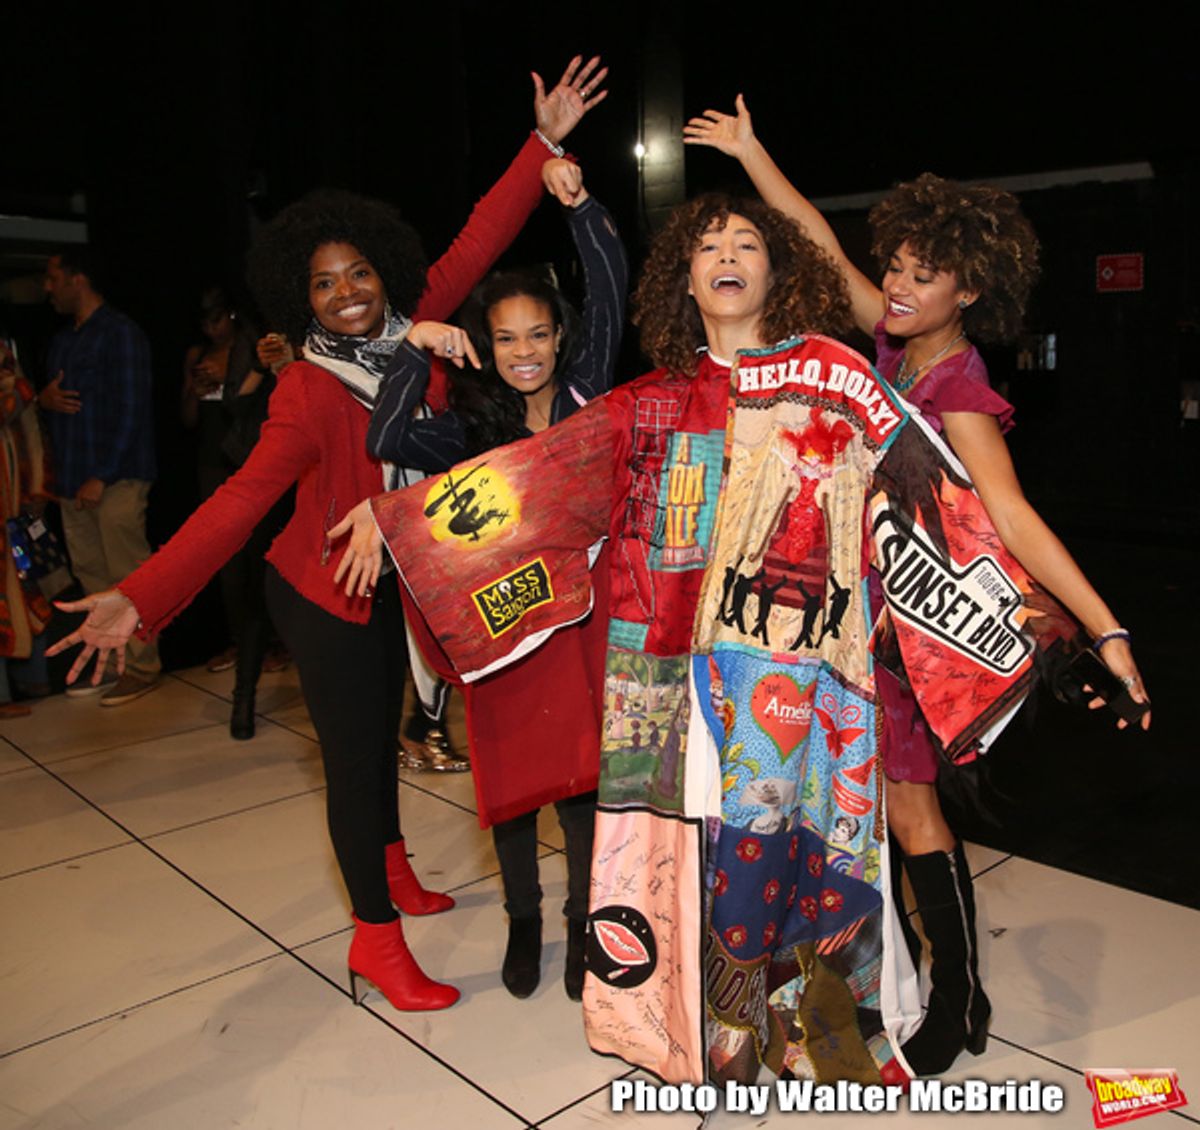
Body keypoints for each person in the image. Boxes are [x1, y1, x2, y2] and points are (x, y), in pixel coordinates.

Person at [46, 55, 610, 1015]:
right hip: (323, 592)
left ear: (383, 274)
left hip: (398, 578)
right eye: (322, 283)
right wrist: (139, 596)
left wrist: (544, 142)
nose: (346, 292)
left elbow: (486, 228)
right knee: (354, 764)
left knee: (382, 739)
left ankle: (390, 869)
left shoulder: (420, 318)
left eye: (358, 274)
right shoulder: (307, 388)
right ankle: (375, 942)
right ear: (298, 298)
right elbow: (236, 502)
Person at [683, 95, 1152, 1074]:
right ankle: (910, 977)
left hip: (912, 637)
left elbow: (1016, 519)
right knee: (876, 814)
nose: (894, 284)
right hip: (854, 620)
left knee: (912, 813)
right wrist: (756, 150)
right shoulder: (895, 350)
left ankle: (959, 988)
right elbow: (813, 235)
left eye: (920, 275)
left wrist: (1106, 626)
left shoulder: (961, 391)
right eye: (893, 263)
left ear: (969, 291)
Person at [357, 157, 627, 1000]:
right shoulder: (468, 430)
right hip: (504, 629)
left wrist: (580, 207)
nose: (522, 352)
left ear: (561, 337)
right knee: (511, 784)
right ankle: (523, 917)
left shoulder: (590, 395)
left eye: (538, 334)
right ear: (487, 345)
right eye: (504, 337)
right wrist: (412, 344)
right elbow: (387, 438)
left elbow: (613, 286)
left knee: (584, 777)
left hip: (586, 619)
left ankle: (586, 920)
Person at [40, 247, 160, 705]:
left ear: (77, 279)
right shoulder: (63, 340)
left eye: (53, 277)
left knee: (127, 573)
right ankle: (113, 661)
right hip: (72, 481)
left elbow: (133, 412)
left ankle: (144, 666)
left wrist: (102, 476)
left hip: (116, 480)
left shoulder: (120, 334)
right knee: (92, 577)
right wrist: (42, 402)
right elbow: (60, 409)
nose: (47, 288)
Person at [181, 286, 288, 739]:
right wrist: (198, 383)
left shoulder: (263, 349)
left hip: (270, 481)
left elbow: (247, 405)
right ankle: (243, 698)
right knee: (237, 578)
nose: (212, 327)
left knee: (271, 580)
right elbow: (200, 414)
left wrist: (266, 367)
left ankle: (272, 663)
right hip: (225, 477)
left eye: (218, 316)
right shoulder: (206, 356)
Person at [1, 340, 52, 717]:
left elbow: (27, 423)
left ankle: (36, 683)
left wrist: (36, 484)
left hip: (13, 505)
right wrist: (24, 391)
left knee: (27, 580)